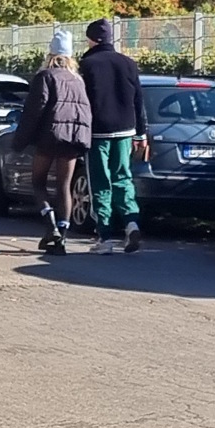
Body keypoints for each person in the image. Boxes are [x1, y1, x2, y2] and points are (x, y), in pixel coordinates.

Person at [16, 31, 93, 254]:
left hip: (49, 137)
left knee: (38, 182)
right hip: (72, 140)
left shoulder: (45, 76)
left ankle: (50, 225)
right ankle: (62, 237)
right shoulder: (78, 80)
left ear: (50, 54)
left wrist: (22, 139)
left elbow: (34, 110)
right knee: (64, 186)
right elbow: (85, 112)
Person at [78, 18, 148, 253]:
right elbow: (139, 100)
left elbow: (82, 102)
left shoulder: (87, 65)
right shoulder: (128, 63)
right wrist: (141, 132)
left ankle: (105, 237)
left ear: (91, 39)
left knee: (100, 181)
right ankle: (131, 222)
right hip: (126, 130)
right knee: (123, 177)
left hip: (98, 130)